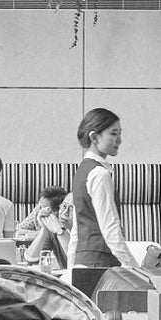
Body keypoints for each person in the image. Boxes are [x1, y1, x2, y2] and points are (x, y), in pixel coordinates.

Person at [70, 106, 140, 270]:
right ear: (94, 137)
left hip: (83, 262)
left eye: (120, 133)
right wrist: (136, 270)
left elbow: (76, 230)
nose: (119, 139)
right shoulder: (99, 174)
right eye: (114, 133)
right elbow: (110, 229)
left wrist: (71, 266)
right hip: (100, 263)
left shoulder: (82, 171)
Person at [15, 185, 72, 267]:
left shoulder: (80, 230)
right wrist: (45, 229)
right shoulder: (51, 230)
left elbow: (75, 260)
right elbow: (30, 259)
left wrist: (59, 231)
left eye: (70, 208)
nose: (64, 212)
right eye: (64, 207)